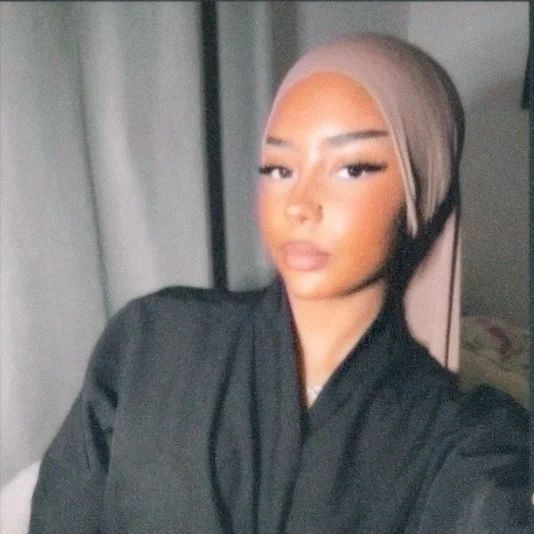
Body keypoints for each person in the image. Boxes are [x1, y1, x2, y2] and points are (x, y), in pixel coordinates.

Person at [29, 33, 529, 533]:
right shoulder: (150, 342)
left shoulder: (464, 439)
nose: (299, 204)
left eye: (352, 169)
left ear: (423, 187)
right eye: (279, 168)